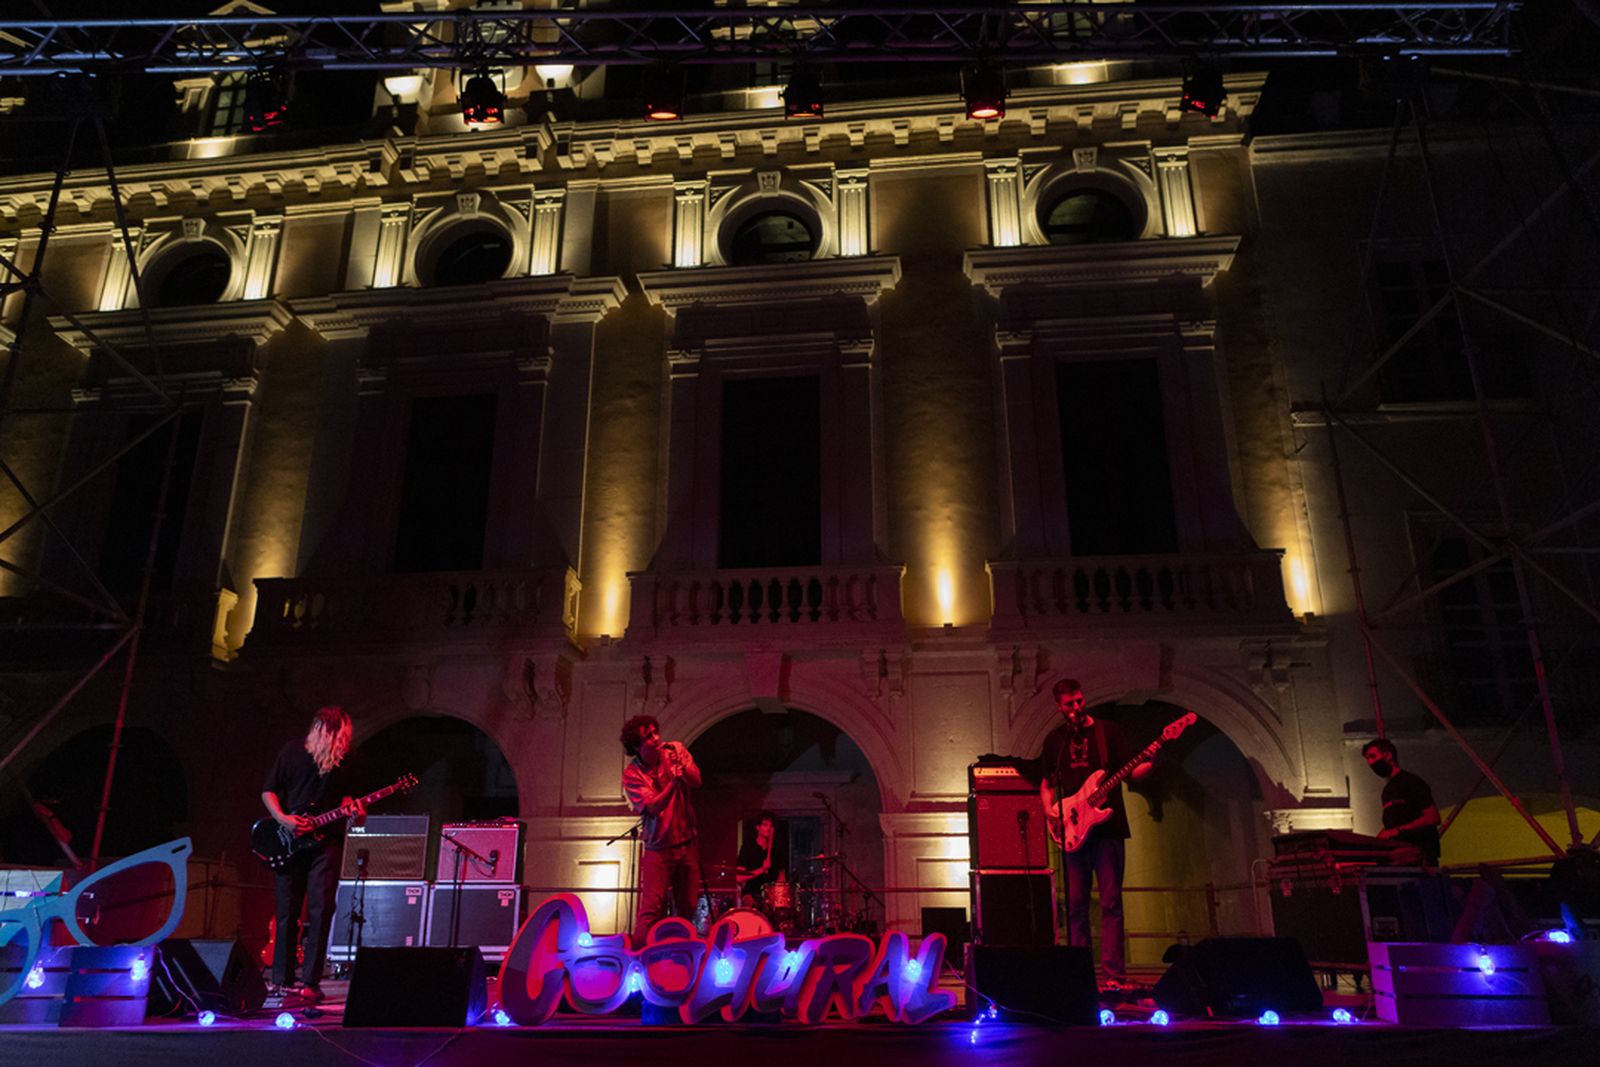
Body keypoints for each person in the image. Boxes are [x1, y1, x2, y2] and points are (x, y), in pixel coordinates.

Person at [1037, 678, 1152, 989]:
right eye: (1069, 704)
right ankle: (1080, 973)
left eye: (1078, 700)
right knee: (1075, 904)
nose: (1076, 707)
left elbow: (1132, 771)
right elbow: (1047, 783)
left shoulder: (1108, 732)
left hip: (1108, 830)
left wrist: (1149, 762)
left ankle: (1113, 976)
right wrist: (1049, 809)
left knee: (1111, 902)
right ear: (1059, 707)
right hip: (1073, 831)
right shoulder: (1055, 741)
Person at [260, 706, 364, 1003]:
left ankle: (310, 982)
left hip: (326, 841)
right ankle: (281, 979)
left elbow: (347, 798)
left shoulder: (347, 759)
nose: (339, 741)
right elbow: (268, 790)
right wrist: (283, 818)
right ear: (322, 729)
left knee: (321, 910)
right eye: (336, 735)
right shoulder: (292, 751)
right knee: (286, 912)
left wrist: (355, 810)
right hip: (290, 841)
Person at [620, 715, 702, 944]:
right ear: (637, 746)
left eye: (656, 732)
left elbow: (697, 781)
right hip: (659, 849)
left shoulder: (674, 750)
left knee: (688, 907)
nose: (657, 738)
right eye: (649, 736)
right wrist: (673, 784)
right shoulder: (632, 774)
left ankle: (680, 958)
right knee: (651, 910)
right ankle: (638, 959)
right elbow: (654, 806)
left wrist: (682, 768)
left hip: (686, 843)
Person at [1362, 737, 1442, 865]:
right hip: (1399, 858)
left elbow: (1433, 817)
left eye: (1372, 756)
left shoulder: (1411, 782)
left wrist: (1396, 831)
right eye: (1368, 760)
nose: (1370, 763)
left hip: (1419, 858)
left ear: (1388, 755)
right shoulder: (1387, 790)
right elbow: (1392, 825)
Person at [736, 811, 780, 909]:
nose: (768, 828)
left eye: (771, 825)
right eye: (765, 825)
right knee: (748, 901)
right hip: (751, 892)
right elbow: (739, 877)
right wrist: (761, 870)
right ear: (757, 828)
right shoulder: (748, 848)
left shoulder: (775, 849)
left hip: (770, 896)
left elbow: (781, 876)